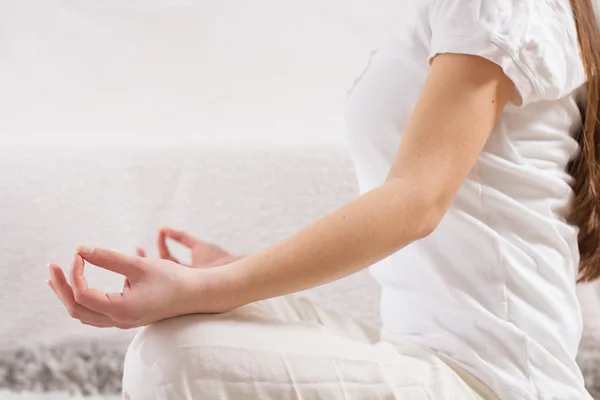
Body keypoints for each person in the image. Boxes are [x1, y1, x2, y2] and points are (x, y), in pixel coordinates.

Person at [45, 0, 600, 398]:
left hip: (496, 381)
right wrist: (238, 275)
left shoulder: (495, 7)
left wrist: (207, 287)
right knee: (191, 330)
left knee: (173, 363)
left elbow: (416, 201)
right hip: (423, 352)